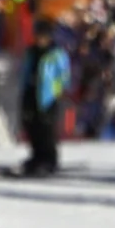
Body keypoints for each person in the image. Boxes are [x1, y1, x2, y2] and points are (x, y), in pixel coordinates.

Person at [19, 20, 69, 177]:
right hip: (31, 92)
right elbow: (25, 71)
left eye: (44, 36)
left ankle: (49, 159)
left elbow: (64, 75)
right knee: (31, 126)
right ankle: (36, 156)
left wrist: (56, 89)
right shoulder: (31, 51)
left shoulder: (56, 54)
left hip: (47, 96)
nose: (41, 39)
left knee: (46, 129)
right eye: (39, 36)